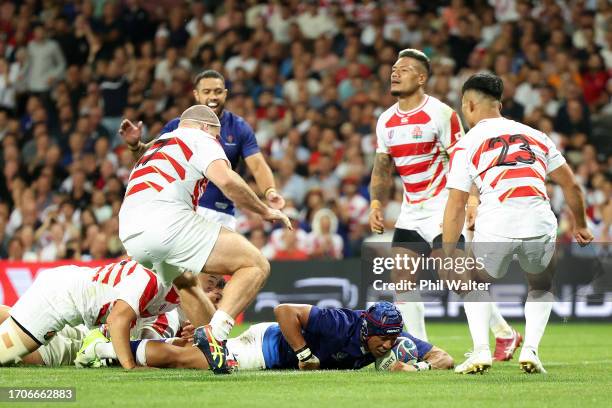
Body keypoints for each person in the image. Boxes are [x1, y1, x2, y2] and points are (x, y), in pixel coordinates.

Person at [369, 49, 520, 358]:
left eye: (405, 69)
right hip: (411, 211)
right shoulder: (385, 121)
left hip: (443, 207)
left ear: (421, 78)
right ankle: (421, 348)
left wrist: (474, 200)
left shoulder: (440, 113)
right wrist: (375, 202)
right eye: (394, 69)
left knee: (453, 275)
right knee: (402, 277)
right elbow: (383, 166)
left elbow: (462, 158)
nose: (395, 73)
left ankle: (503, 333)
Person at [118, 104, 291, 374]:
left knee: (186, 283)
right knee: (255, 264)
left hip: (130, 234)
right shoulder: (200, 137)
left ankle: (207, 351)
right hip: (165, 222)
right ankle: (216, 333)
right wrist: (264, 210)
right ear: (206, 127)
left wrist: (135, 145)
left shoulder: (158, 143)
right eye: (217, 136)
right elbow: (228, 180)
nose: (219, 143)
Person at [443, 72, 594, 374]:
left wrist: (449, 251)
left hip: (497, 221)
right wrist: (580, 224)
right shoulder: (537, 135)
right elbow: (572, 186)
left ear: (469, 105)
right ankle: (531, 350)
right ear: (498, 104)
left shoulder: (466, 143)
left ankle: (482, 351)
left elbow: (456, 202)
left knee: (473, 280)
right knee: (541, 285)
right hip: (539, 220)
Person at [119, 69, 285, 231]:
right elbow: (149, 158)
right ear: (196, 95)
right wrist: (135, 145)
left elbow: (257, 165)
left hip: (220, 212)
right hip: (181, 211)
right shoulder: (178, 125)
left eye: (218, 91)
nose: (213, 96)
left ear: (225, 94)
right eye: (206, 92)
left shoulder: (239, 127)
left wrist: (270, 192)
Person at [80, 302, 454, 372]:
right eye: (383, 340)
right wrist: (305, 354)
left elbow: (443, 357)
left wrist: (417, 368)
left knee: (188, 353)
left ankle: (107, 348)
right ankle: (103, 347)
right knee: (186, 360)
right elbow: (283, 310)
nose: (387, 347)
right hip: (267, 347)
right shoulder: (340, 323)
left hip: (278, 352)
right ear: (367, 328)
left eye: (393, 339)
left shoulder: (392, 337)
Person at [0, 259, 179, 368]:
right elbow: (119, 322)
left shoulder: (160, 276)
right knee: (4, 353)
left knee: (17, 321)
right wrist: (130, 366)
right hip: (58, 302)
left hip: (68, 299)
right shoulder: (157, 285)